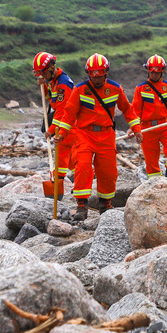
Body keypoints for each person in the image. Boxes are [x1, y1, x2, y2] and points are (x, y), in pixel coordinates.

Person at [53, 53, 142, 221]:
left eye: (100, 76)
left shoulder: (115, 89)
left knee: (108, 171)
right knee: (83, 167)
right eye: (94, 77)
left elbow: (128, 109)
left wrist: (136, 128)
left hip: (107, 134)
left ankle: (105, 204)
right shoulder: (80, 89)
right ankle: (81, 205)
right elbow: (69, 114)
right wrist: (62, 134)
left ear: (105, 73)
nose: (97, 80)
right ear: (88, 75)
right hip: (85, 134)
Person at [33, 51, 76, 183]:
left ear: (51, 68)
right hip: (64, 126)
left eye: (44, 73)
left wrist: (51, 130)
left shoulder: (63, 84)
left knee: (68, 158)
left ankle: (64, 185)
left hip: (70, 126)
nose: (43, 76)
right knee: (66, 160)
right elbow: (51, 99)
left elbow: (63, 111)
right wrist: (44, 87)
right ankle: (61, 185)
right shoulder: (54, 81)